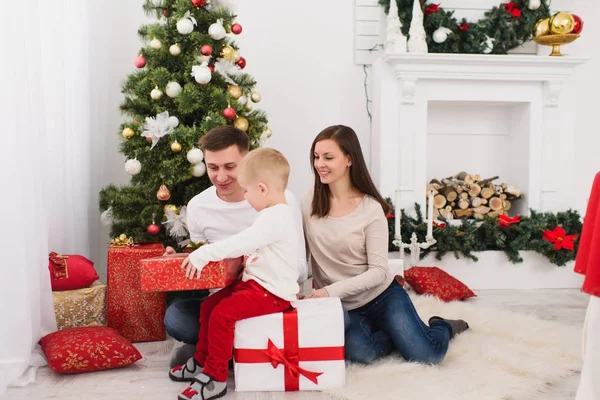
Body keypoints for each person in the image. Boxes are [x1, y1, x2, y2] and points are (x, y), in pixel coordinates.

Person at [301, 125, 469, 365]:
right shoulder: (308, 201)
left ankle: (442, 325)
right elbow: (304, 253)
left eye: (328, 157)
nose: (320, 164)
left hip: (381, 296)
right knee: (360, 352)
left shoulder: (370, 209)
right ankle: (397, 335)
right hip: (344, 305)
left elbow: (379, 272)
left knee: (427, 355)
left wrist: (328, 290)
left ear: (349, 159)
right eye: (316, 157)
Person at [163, 126, 308, 367]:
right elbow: (206, 267)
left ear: (247, 161)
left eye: (230, 167)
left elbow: (299, 267)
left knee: (339, 319)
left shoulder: (279, 202)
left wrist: (252, 266)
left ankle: (218, 357)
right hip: (231, 295)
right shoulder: (198, 206)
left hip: (268, 291)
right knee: (179, 317)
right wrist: (178, 260)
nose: (221, 177)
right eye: (213, 167)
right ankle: (229, 348)